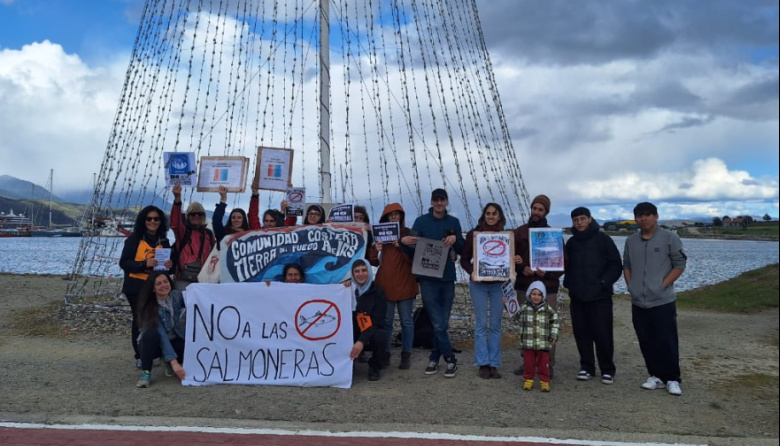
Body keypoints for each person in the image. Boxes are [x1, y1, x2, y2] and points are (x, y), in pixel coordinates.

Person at [623, 202, 687, 396]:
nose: (643, 219)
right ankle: (655, 375)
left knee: (666, 340)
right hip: (638, 301)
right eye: (639, 215)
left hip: (662, 301)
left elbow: (680, 264)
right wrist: (631, 286)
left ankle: (673, 378)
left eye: (647, 215)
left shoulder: (670, 238)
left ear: (656, 216)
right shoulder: (631, 241)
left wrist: (662, 285)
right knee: (646, 339)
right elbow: (626, 265)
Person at [400, 188, 465, 378]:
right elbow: (412, 248)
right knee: (438, 323)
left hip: (447, 278)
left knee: (442, 323)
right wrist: (403, 241)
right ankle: (451, 359)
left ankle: (434, 357)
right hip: (427, 280)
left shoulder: (454, 222)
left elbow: (461, 248)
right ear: (431, 202)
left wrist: (456, 240)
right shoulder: (421, 221)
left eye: (442, 200)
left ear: (446, 202)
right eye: (435, 200)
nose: (438, 203)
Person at [460, 203, 520, 379]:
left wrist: (515, 259)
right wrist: (471, 271)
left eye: (495, 213)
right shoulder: (473, 234)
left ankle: (494, 363)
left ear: (500, 216)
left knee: (495, 325)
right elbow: (464, 259)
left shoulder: (508, 236)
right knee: (480, 324)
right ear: (484, 215)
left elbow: (513, 259)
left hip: (499, 284)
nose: (491, 216)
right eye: (488, 213)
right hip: (479, 284)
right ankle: (482, 363)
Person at [563, 206, 622, 384]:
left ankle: (607, 369)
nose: (579, 223)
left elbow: (615, 265)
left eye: (582, 219)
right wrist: (568, 283)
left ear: (590, 219)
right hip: (577, 296)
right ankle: (587, 366)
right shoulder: (572, 243)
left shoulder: (603, 240)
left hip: (600, 296)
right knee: (581, 333)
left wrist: (604, 283)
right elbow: (565, 265)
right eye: (575, 220)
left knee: (603, 333)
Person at [513, 194, 564, 378]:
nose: (536, 212)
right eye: (534, 208)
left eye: (540, 209)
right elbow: (511, 258)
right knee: (525, 324)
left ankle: (548, 365)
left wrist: (548, 273)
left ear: (546, 212)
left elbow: (562, 264)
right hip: (524, 284)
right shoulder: (518, 232)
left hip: (547, 286)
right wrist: (520, 267)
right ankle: (526, 363)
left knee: (548, 326)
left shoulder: (553, 235)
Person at [119, 205, 173, 369]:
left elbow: (167, 266)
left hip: (155, 286)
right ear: (143, 220)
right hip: (136, 286)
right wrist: (144, 264)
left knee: (157, 318)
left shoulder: (164, 241)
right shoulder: (134, 239)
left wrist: (170, 264)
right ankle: (140, 355)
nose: (152, 221)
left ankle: (155, 352)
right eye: (149, 218)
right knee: (140, 320)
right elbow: (124, 263)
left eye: (156, 219)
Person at [368, 203, 416, 370]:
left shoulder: (408, 234)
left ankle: (406, 354)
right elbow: (373, 262)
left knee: (407, 322)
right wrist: (376, 249)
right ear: (386, 218)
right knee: (386, 322)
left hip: (405, 284)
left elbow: (414, 260)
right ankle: (385, 352)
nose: (394, 217)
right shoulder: (379, 236)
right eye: (391, 215)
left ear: (401, 216)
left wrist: (402, 246)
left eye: (397, 214)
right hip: (385, 285)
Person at [135, 271, 186, 388]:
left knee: (188, 344)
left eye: (165, 281)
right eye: (158, 284)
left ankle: (168, 362)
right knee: (151, 335)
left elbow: (196, 299)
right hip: (154, 344)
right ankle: (146, 372)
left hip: (173, 339)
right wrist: (175, 364)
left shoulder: (176, 296)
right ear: (153, 288)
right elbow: (162, 335)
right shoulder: (149, 307)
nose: (163, 285)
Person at [348, 259, 389, 381]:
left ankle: (374, 365)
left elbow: (378, 322)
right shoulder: (348, 290)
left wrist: (361, 341)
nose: (361, 274)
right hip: (352, 329)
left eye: (364, 270)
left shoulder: (378, 293)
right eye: (357, 271)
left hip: (371, 329)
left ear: (369, 272)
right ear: (352, 274)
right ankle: (348, 364)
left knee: (381, 336)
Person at [171, 183, 216, 290]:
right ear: (188, 216)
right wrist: (177, 200)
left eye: (200, 214)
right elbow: (175, 223)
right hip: (183, 278)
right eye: (193, 214)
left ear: (203, 216)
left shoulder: (208, 233)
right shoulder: (183, 232)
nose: (196, 216)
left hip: (203, 278)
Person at [518, 281, 559, 392]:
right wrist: (506, 304)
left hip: (543, 343)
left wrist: (554, 335)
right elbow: (515, 316)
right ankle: (528, 380)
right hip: (528, 342)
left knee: (543, 364)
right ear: (529, 295)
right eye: (534, 294)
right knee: (528, 364)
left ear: (543, 296)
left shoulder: (548, 309)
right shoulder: (524, 308)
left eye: (539, 294)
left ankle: (544, 382)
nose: (536, 297)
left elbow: (555, 322)